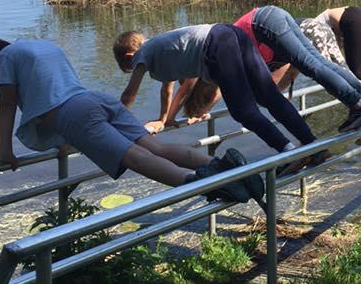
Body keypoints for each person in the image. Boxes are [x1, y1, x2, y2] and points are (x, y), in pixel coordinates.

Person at [0, 38, 262, 204]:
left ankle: (206, 185)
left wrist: (4, 150)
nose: (1, 82)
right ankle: (220, 166)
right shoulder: (40, 47)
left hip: (75, 113)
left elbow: (8, 104)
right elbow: (52, 92)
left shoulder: (6, 57)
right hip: (97, 99)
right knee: (156, 149)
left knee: (135, 158)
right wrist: (65, 140)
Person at [113, 24, 323, 175]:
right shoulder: (160, 50)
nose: (133, 69)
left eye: (128, 68)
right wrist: (164, 119)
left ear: (130, 56)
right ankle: (314, 147)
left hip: (216, 44)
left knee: (243, 111)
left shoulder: (142, 53)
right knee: (269, 95)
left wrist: (116, 122)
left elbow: (130, 93)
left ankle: (288, 152)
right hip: (230, 33)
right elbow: (168, 90)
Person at [234, 5, 361, 131]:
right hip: (275, 15)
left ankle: (358, 104)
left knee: (312, 66)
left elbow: (271, 84)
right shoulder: (245, 56)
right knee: (322, 63)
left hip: (261, 22)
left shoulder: (233, 61)